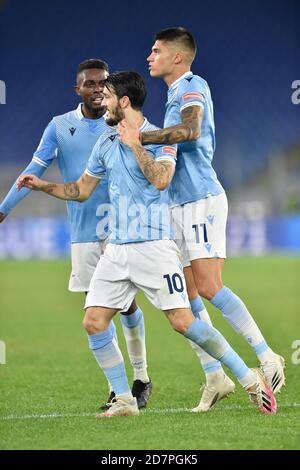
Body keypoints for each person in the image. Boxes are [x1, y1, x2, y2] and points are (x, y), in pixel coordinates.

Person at [17, 71, 277, 418]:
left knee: (183, 322)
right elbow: (81, 189)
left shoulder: (159, 137)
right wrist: (42, 185)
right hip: (117, 249)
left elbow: (161, 179)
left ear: (123, 102)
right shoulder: (105, 142)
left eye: (107, 96)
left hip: (155, 247)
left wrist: (136, 144)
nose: (101, 101)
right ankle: (124, 399)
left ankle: (249, 380)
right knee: (94, 321)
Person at [141, 27, 285, 412]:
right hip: (176, 203)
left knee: (208, 286)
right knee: (184, 295)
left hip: (200, 200)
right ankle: (215, 377)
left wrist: (143, 138)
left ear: (178, 57)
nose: (149, 57)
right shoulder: (172, 93)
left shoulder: (191, 85)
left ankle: (267, 354)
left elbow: (191, 129)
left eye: (156, 51)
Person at [0, 59, 152, 410]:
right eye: (91, 84)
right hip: (83, 231)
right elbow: (32, 171)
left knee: (126, 304)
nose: (98, 89)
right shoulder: (59, 127)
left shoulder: (122, 123)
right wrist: (5, 208)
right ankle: (119, 390)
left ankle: (141, 376)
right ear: (78, 89)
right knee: (97, 310)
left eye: (103, 84)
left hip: (122, 229)